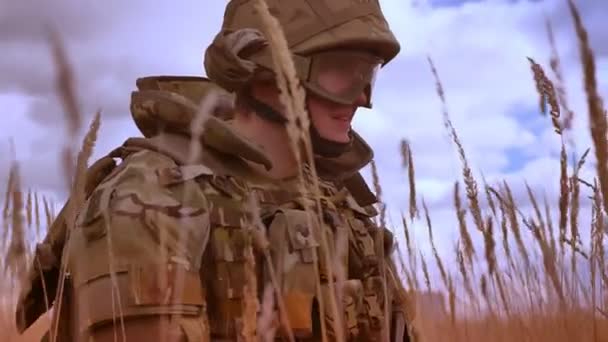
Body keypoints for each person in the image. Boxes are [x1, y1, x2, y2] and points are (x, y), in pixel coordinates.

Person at [15, 0, 415, 341]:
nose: (362, 97)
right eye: (342, 69)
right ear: (264, 69)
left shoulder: (337, 203)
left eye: (369, 73)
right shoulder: (152, 199)